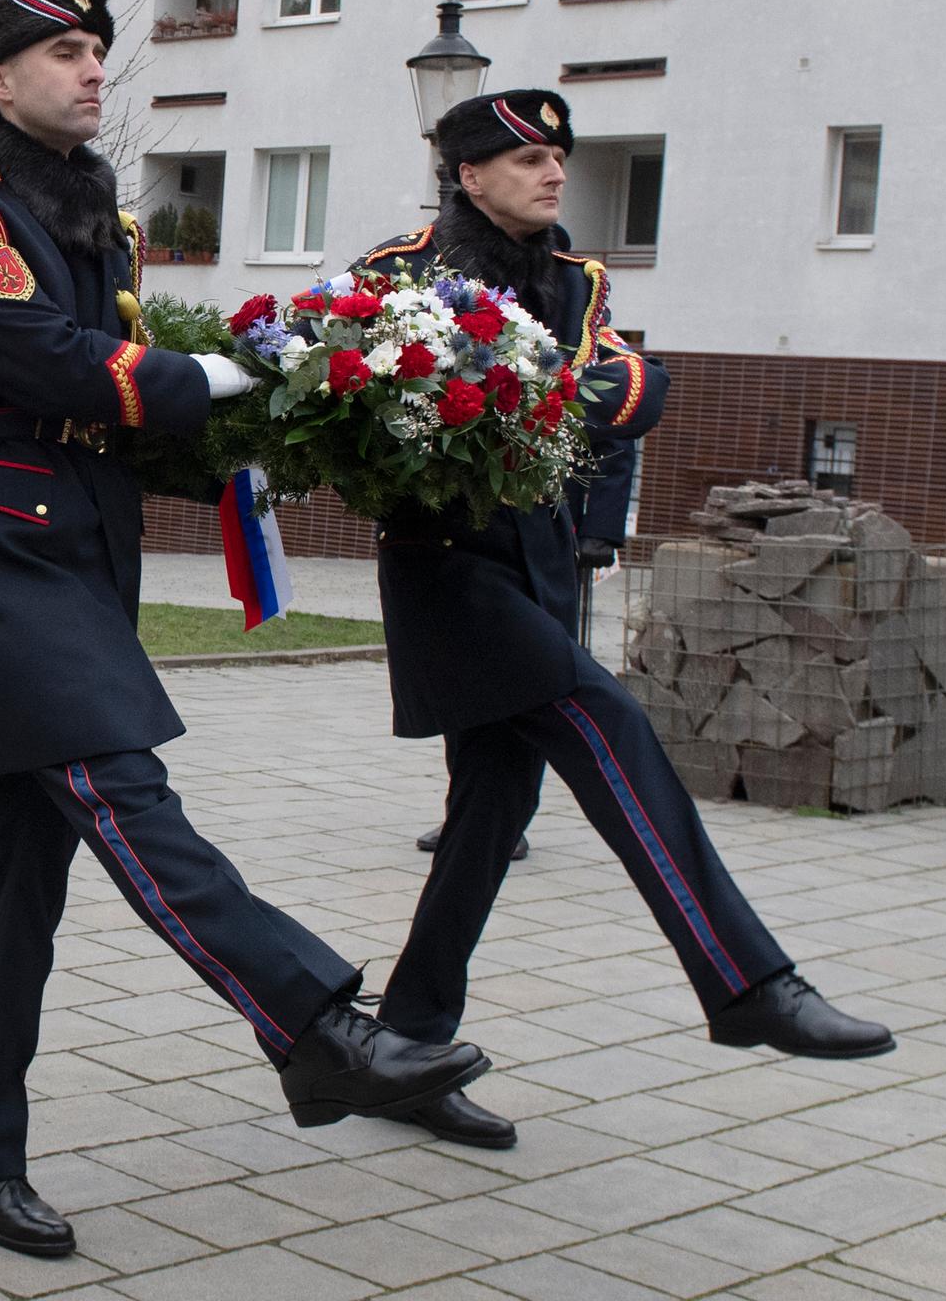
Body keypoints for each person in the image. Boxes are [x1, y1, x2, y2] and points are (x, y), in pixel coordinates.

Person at [0, 0, 489, 1261]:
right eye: (64, 52)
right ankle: (317, 1029)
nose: (96, 67)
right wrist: (223, 371)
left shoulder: (91, 211)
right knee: (126, 797)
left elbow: (111, 395)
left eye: (101, 48)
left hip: (74, 556)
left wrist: (289, 411)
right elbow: (58, 364)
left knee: (25, 884)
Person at [359, 91, 894, 1152]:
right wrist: (536, 390)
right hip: (449, 570)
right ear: (468, 174)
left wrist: (531, 385)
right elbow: (359, 398)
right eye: (525, 159)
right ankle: (745, 977)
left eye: (558, 156)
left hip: (541, 567)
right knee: (610, 724)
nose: (553, 174)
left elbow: (634, 386)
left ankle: (409, 1047)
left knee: (489, 816)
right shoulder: (401, 274)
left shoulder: (573, 279)